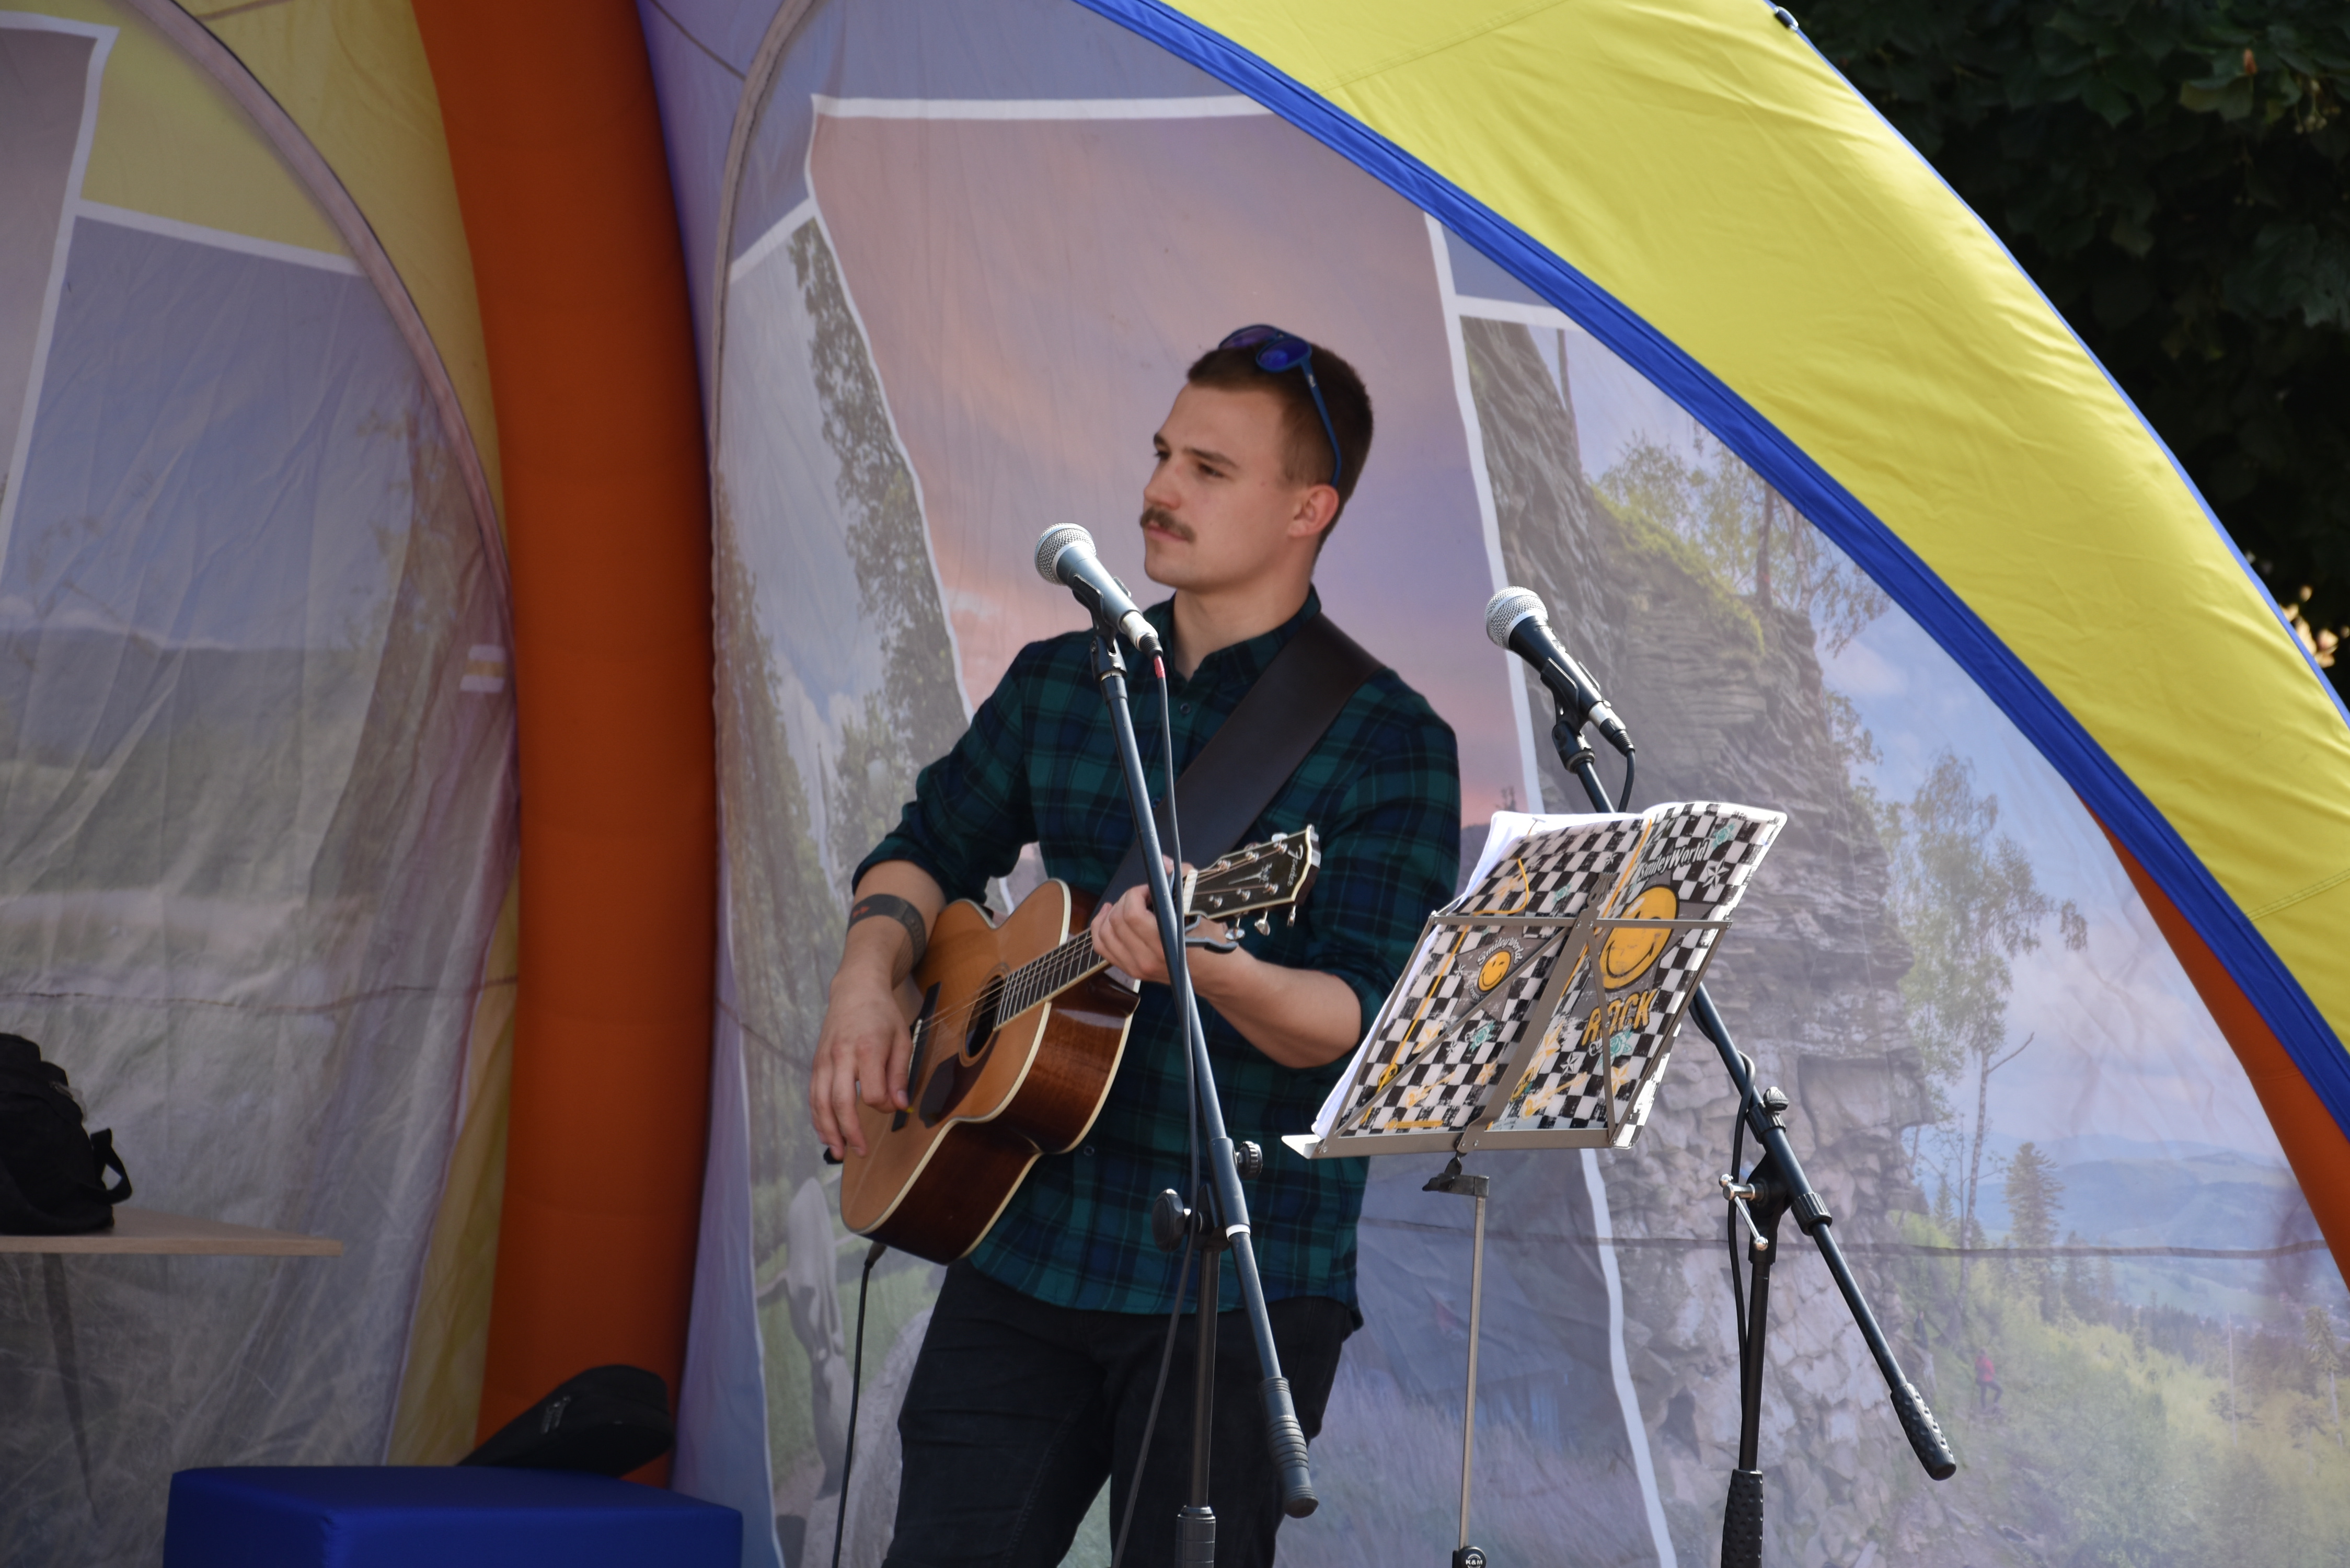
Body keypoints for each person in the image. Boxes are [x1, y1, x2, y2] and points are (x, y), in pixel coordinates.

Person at [809, 327, 1462, 1568]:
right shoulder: (1062, 682)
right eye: (1163, 454)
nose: (1159, 488)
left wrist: (1209, 966)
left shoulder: (1390, 743)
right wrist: (864, 980)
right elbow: (925, 846)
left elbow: (1357, 1018)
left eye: (1208, 469)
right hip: (1023, 1228)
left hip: (1240, 1271)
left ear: (1307, 510)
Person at [1974, 1347, 2002, 1411]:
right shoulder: (1987, 1362)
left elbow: (1976, 1368)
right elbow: (1992, 1372)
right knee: (2000, 1390)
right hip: (1988, 1380)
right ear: (1986, 1354)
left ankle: (1984, 1408)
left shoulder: (1977, 1360)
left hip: (1979, 1380)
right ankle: (1995, 1403)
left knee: (1983, 1394)